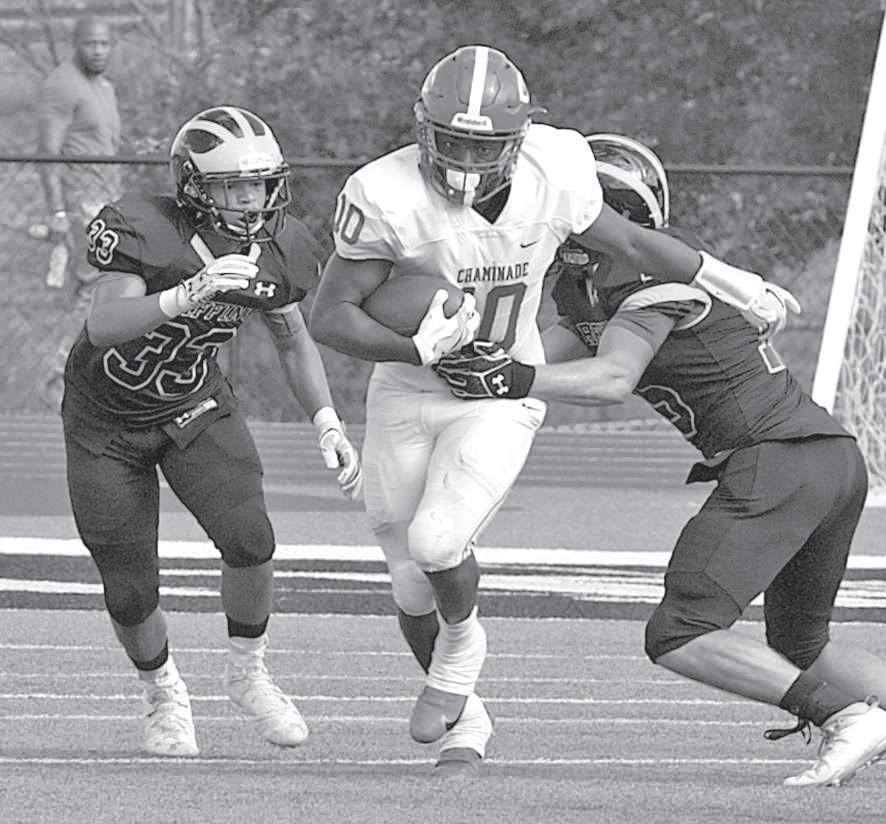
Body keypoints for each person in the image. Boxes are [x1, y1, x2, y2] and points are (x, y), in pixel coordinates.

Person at [308, 44, 801, 780]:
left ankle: (462, 650)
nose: (466, 162)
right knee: (409, 579)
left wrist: (734, 281)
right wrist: (414, 347)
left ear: (520, 139)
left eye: (485, 145)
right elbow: (329, 318)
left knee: (438, 541)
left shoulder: (556, 168)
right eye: (453, 141)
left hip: (500, 392)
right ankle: (469, 716)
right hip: (408, 388)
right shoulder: (385, 194)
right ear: (421, 129)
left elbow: (633, 242)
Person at [433, 133, 886, 787]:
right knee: (801, 644)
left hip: (778, 461)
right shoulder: (593, 286)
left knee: (680, 630)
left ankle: (846, 716)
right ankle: (858, 712)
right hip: (827, 460)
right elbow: (537, 354)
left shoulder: (644, 280)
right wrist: (452, 353)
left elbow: (611, 377)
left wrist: (511, 380)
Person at [61, 105, 362, 758]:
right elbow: (103, 326)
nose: (251, 198)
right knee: (129, 589)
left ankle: (248, 672)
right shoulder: (147, 229)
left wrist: (326, 420)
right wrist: (188, 292)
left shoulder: (280, 248)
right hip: (103, 420)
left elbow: (291, 337)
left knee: (251, 537)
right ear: (194, 186)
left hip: (192, 404)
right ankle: (162, 690)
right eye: (233, 185)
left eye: (259, 183)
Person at [37, 14, 124, 408]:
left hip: (107, 200)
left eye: (105, 43)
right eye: (91, 43)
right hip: (80, 202)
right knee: (92, 285)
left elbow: (105, 144)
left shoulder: (104, 86)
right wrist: (57, 212)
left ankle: (88, 378)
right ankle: (58, 377)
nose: (99, 51)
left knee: (108, 286)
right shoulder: (62, 84)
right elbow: (47, 152)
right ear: (76, 43)